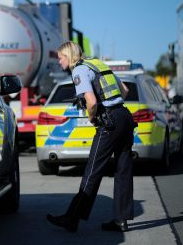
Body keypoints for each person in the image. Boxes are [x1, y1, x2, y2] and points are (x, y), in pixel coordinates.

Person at [46, 41, 136, 232]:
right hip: (125, 117)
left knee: (92, 171)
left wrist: (93, 118)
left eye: (61, 58)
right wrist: (114, 109)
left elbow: (92, 102)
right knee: (123, 170)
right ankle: (121, 220)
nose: (60, 62)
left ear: (69, 56)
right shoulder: (98, 64)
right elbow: (125, 90)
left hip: (109, 123)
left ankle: (72, 219)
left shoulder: (79, 70)